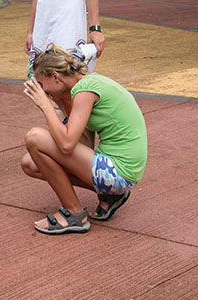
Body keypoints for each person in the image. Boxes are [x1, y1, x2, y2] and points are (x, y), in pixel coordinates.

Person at [20, 45, 147, 235]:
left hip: (119, 171)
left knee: (34, 137)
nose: (43, 91)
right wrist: (59, 102)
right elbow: (84, 144)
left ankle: (74, 214)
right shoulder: (85, 86)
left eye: (42, 83)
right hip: (120, 171)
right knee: (31, 164)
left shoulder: (84, 91)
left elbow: (67, 144)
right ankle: (110, 195)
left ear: (55, 76)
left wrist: (46, 106)